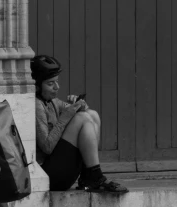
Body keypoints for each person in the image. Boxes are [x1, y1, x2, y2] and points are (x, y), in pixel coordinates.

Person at [31, 55, 128, 194]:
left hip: (62, 171)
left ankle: (89, 174)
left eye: (57, 82)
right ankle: (95, 176)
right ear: (37, 86)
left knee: (92, 114)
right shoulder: (36, 105)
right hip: (49, 176)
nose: (57, 87)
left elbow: (81, 112)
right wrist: (67, 115)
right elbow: (46, 147)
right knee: (81, 118)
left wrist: (80, 104)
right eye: (50, 84)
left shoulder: (52, 101)